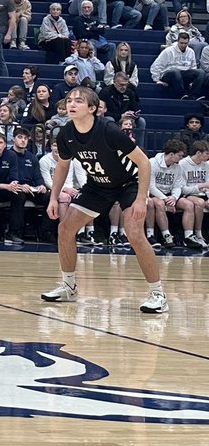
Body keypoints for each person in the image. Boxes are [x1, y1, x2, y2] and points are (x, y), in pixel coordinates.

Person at [42, 86, 165, 313]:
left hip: (129, 184)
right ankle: (69, 286)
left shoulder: (109, 130)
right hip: (98, 186)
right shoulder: (66, 133)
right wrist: (53, 198)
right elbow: (62, 165)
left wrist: (140, 199)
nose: (71, 104)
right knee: (65, 229)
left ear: (92, 108)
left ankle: (158, 294)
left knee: (135, 233)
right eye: (69, 100)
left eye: (78, 101)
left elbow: (144, 163)